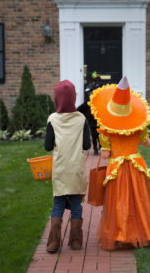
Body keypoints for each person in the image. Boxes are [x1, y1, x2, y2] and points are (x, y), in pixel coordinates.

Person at [88, 76, 150, 250]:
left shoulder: (106, 129)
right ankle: (146, 232)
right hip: (135, 165)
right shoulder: (138, 126)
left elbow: (106, 153)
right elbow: (147, 143)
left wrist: (107, 148)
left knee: (119, 202)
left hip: (117, 168)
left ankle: (120, 234)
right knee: (140, 199)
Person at [44, 80, 91, 253]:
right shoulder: (81, 119)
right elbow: (86, 145)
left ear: (57, 99)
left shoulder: (52, 119)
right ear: (73, 98)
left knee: (58, 204)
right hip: (76, 169)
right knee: (76, 205)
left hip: (60, 169)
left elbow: (48, 146)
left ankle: (54, 242)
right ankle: (76, 241)